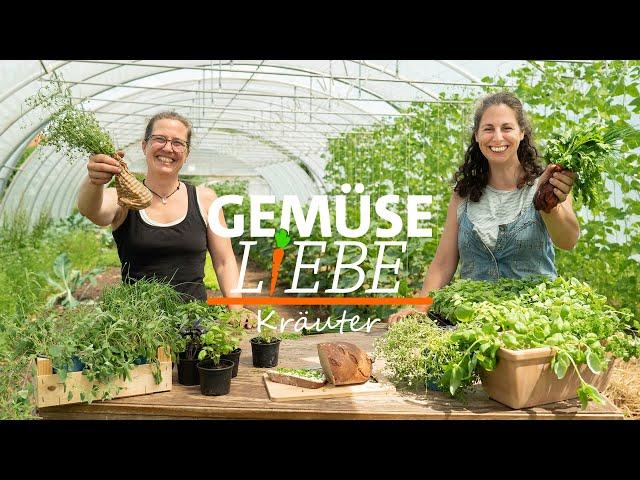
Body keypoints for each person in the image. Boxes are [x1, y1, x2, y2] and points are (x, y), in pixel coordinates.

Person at [388, 92, 579, 324]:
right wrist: (419, 307)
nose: (497, 137)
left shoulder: (546, 182)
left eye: (506, 128)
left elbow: (568, 240)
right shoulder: (464, 194)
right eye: (488, 129)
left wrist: (548, 203)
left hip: (535, 322)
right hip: (473, 324)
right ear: (477, 135)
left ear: (521, 133)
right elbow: (444, 262)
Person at [77, 111, 256, 327]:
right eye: (160, 139)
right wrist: (94, 180)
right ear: (144, 146)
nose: (168, 148)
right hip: (137, 327)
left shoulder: (205, 199)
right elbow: (92, 211)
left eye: (178, 143)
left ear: (186, 153)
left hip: (194, 323)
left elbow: (224, 261)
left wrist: (236, 309)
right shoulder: (122, 198)